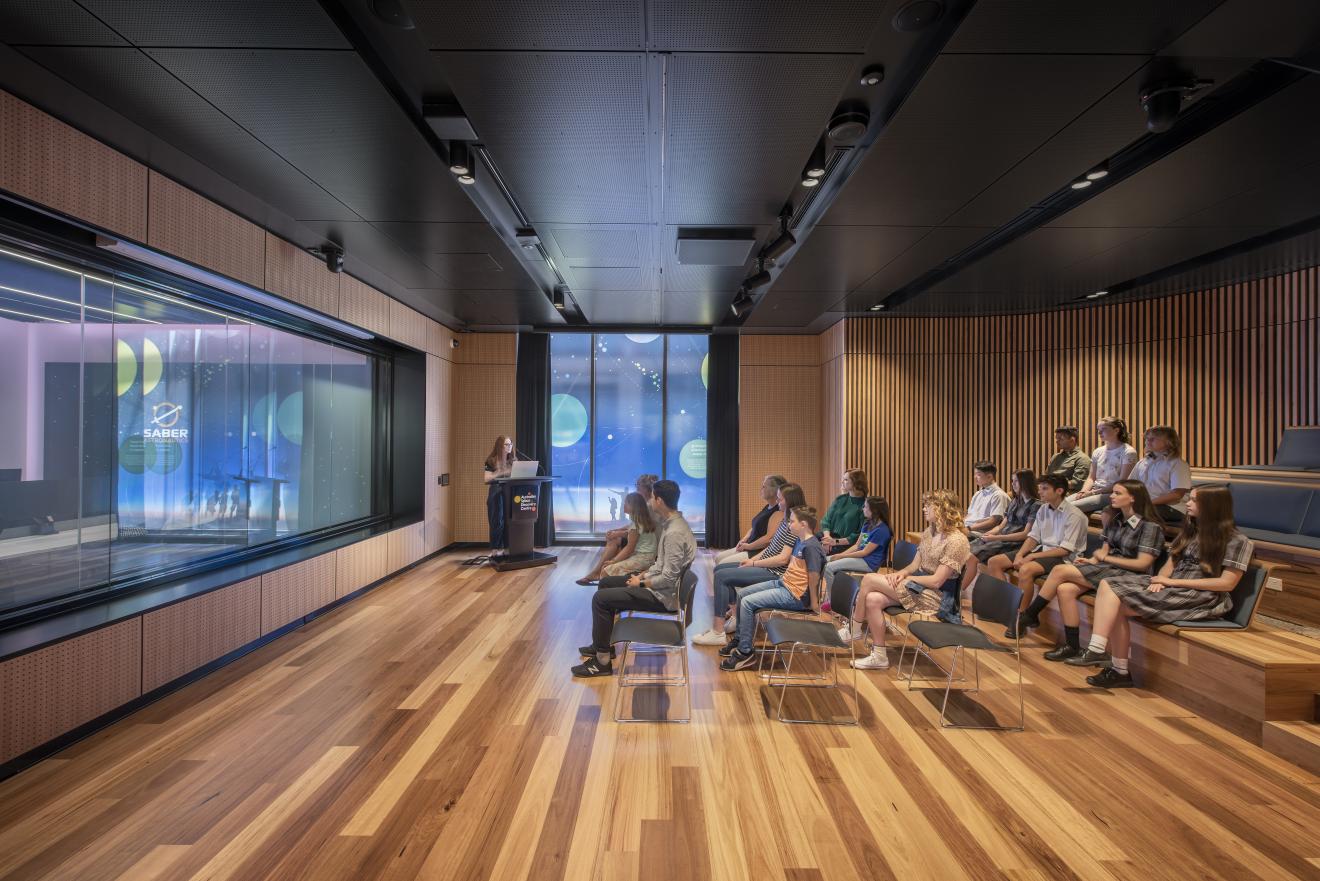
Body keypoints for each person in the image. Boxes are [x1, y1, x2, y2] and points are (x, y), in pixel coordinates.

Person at [1067, 485, 1254, 689]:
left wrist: (1171, 582)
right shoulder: (1191, 531)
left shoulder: (1238, 541)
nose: (1187, 504)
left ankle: (1100, 651)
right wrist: (1160, 580)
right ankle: (1117, 668)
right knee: (1111, 595)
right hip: (1172, 587)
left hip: (1199, 597)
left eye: (1193, 500)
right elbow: (1170, 564)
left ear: (1212, 506)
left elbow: (1227, 583)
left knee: (1111, 590)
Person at [1018, 480, 1164, 660]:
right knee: (1064, 589)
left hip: (1130, 575)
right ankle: (1072, 646)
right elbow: (1103, 551)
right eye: (1113, 492)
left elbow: (1142, 564)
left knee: (1059, 571)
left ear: (1133, 498)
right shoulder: (1115, 520)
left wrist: (1103, 559)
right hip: (1107, 568)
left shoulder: (1150, 527)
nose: (1111, 496)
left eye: (1118, 493)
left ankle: (1030, 614)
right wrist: (1090, 560)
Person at [572, 480, 696, 677]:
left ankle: (602, 661)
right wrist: (642, 575)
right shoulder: (672, 525)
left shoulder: (674, 533)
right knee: (605, 583)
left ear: (659, 500)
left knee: (600, 600)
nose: (650, 503)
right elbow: (660, 565)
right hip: (659, 588)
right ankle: (603, 645)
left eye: (652, 498)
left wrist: (642, 582)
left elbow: (669, 578)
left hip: (663, 597)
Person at [838, 489, 970, 670]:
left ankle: (853, 629)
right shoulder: (929, 532)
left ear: (942, 508)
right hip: (919, 586)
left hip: (937, 596)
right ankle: (879, 656)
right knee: (872, 599)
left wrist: (909, 580)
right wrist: (901, 574)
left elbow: (937, 582)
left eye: (928, 506)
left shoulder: (957, 541)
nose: (924, 509)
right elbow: (914, 565)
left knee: (869, 579)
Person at [691, 482, 807, 646]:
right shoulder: (785, 520)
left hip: (775, 572)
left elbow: (782, 559)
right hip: (766, 565)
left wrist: (754, 564)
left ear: (789, 501)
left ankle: (718, 631)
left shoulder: (793, 525)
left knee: (723, 576)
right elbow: (771, 549)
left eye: (780, 499)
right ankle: (734, 615)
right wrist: (752, 560)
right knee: (720, 570)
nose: (778, 501)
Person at [719, 506, 827, 671]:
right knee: (743, 595)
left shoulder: (811, 546)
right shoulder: (801, 540)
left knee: (747, 603)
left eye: (792, 521)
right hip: (784, 584)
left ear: (803, 524)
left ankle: (745, 652)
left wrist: (813, 602)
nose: (789, 524)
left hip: (795, 596)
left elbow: (814, 576)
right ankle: (741, 639)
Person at [985, 473, 1087, 637]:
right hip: (1043, 550)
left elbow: (1064, 550)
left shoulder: (1074, 515)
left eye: (1045, 489)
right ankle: (1008, 608)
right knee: (994, 562)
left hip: (1063, 558)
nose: (1040, 492)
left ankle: (1021, 617)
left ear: (1059, 491)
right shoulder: (1043, 509)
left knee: (1026, 569)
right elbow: (1033, 537)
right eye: (1040, 489)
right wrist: (1020, 554)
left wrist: (1031, 557)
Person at [962, 469, 1040, 594]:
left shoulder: (1036, 505)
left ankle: (959, 593)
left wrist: (996, 538)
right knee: (965, 550)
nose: (1013, 484)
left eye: (1016, 481)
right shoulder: (1015, 501)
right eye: (1012, 481)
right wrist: (990, 534)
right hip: (1001, 538)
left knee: (971, 556)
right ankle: (957, 592)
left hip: (1014, 543)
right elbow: (1001, 526)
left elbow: (1025, 534)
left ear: (1026, 482)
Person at [576, 492, 657, 584]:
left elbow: (629, 548)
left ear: (634, 507)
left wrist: (613, 561)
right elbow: (629, 531)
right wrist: (616, 531)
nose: (623, 505)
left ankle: (604, 586)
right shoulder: (640, 521)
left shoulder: (636, 525)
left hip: (642, 559)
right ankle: (598, 575)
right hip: (646, 557)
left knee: (605, 571)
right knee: (607, 566)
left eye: (626, 503)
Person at [821, 496, 892, 594]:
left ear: (874, 510)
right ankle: (841, 596)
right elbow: (857, 546)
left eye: (865, 507)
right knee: (824, 560)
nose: (863, 508)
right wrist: (839, 556)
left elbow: (864, 552)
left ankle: (833, 602)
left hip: (868, 563)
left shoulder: (882, 530)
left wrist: (841, 556)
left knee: (828, 567)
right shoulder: (868, 524)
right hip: (861, 558)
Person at [1069, 417, 1138, 515]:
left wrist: (1093, 493)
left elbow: (1122, 483)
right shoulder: (1098, 451)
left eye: (1103, 429)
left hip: (1112, 493)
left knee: (1069, 508)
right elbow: (1091, 477)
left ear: (1116, 430)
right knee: (1060, 504)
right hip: (1094, 490)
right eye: (1098, 430)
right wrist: (1084, 491)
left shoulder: (1128, 452)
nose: (1099, 433)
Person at [714, 474, 788, 566]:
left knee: (721, 564)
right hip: (750, 546)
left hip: (758, 551)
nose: (761, 488)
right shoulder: (767, 507)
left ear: (775, 490)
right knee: (718, 558)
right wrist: (744, 539)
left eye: (764, 486)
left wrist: (748, 546)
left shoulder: (779, 511)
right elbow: (754, 526)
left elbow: (768, 539)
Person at [1126, 425, 1191, 525]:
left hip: (1172, 507)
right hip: (1147, 504)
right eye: (1147, 439)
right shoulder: (1143, 463)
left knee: (1136, 517)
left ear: (1169, 442)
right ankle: (1109, 539)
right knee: (1111, 510)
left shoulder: (1178, 464)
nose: (1147, 441)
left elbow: (1177, 495)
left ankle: (1131, 536)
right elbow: (1130, 485)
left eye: (1152, 439)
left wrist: (1147, 503)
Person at [596, 474, 658, 574]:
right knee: (614, 540)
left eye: (637, 485)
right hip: (647, 550)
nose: (636, 488)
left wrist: (614, 561)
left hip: (644, 553)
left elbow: (632, 539)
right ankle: (602, 570)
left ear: (645, 488)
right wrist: (618, 531)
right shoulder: (644, 508)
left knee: (614, 541)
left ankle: (600, 571)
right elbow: (634, 528)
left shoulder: (649, 505)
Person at [820, 470, 868, 555]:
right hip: (829, 537)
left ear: (856, 483)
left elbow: (859, 536)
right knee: (807, 544)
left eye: (846, 480)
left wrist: (835, 542)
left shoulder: (866, 506)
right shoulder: (840, 499)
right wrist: (827, 539)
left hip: (846, 545)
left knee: (817, 553)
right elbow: (826, 520)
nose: (842, 482)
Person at [482, 435, 514, 552]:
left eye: (510, 444)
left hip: (511, 493)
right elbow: (487, 479)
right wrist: (500, 472)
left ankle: (508, 548)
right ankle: (495, 550)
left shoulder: (513, 461)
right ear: (500, 446)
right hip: (496, 493)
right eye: (506, 444)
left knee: (510, 522)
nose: (509, 446)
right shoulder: (491, 460)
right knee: (497, 522)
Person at [965, 461, 1011, 533]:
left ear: (989, 477)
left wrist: (968, 528)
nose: (975, 477)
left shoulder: (998, 495)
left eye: (978, 475)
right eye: (975, 474)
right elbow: (969, 515)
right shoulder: (977, 494)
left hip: (980, 533)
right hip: (968, 528)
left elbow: (994, 521)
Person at [1046, 425, 1091, 494]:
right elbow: (1047, 476)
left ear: (1072, 440)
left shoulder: (1082, 458)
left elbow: (1078, 484)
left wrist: (1054, 483)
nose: (1057, 441)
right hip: (1050, 493)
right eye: (1056, 439)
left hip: (1066, 495)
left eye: (1060, 439)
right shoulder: (1055, 457)